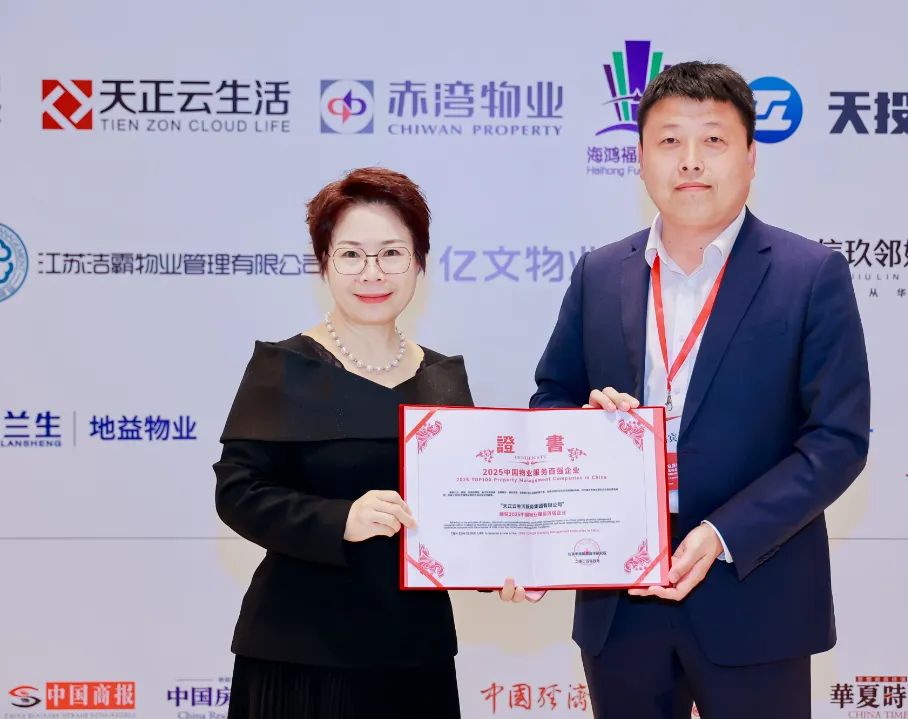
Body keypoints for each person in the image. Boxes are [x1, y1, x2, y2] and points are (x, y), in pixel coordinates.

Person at [529, 62, 871, 718]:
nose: (690, 160)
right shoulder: (599, 272)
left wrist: (721, 532)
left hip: (754, 587)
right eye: (669, 141)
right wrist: (587, 423)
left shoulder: (810, 275)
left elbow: (837, 440)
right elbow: (551, 397)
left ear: (750, 156)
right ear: (639, 159)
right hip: (620, 592)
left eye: (713, 139)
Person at [214, 167, 473, 718]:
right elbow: (238, 492)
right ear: (324, 263)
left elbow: (468, 509)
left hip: (416, 652)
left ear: (419, 261)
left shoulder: (443, 379)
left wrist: (511, 564)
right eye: (351, 254)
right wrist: (340, 519)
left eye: (392, 253)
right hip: (301, 652)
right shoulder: (284, 367)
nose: (372, 272)